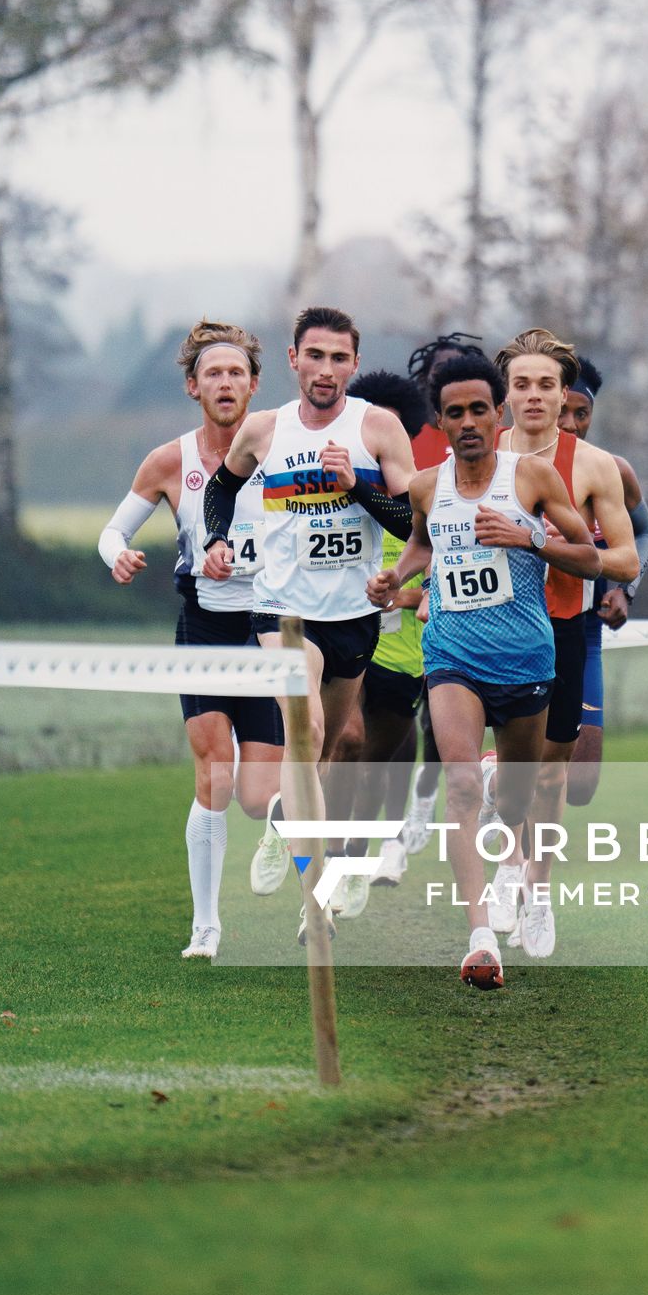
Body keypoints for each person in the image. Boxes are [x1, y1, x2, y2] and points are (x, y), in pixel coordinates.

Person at [366, 349, 600, 990]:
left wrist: (529, 538)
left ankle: (516, 842)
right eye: (454, 412)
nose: (467, 421)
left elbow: (589, 558)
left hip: (526, 659)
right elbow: (421, 540)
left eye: (478, 409)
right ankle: (479, 938)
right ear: (439, 422)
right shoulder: (425, 485)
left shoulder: (532, 478)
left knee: (516, 798)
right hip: (452, 656)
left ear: (497, 413)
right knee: (462, 786)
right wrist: (397, 577)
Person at [202, 305, 417, 930]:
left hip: (354, 614)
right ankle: (314, 900)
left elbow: (413, 523)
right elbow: (222, 488)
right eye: (314, 356)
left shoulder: (378, 429)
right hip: (281, 610)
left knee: (329, 753)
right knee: (308, 735)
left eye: (339, 358)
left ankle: (282, 823)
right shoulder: (264, 430)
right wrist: (218, 538)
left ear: (354, 363)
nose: (326, 370)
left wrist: (356, 487)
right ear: (294, 360)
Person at [97, 320, 283, 960]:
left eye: (237, 373)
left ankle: (294, 842)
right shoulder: (168, 460)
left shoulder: (285, 449)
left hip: (272, 634)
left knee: (259, 800)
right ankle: (206, 927)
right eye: (213, 373)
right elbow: (111, 533)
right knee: (215, 777)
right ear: (192, 386)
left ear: (255, 384)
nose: (226, 383)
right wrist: (118, 555)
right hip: (203, 630)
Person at [493, 328, 638, 957]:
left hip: (561, 629)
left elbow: (628, 560)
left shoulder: (595, 466)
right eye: (521, 384)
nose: (533, 396)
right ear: (505, 393)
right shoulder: (478, 453)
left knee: (550, 777)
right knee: (498, 769)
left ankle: (540, 890)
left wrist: (548, 547)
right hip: (490, 628)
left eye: (545, 385)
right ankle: (505, 862)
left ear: (563, 394)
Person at [336, 369, 431, 887]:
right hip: (348, 641)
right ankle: (331, 862)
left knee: (375, 764)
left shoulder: (426, 494)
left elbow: (451, 576)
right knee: (344, 745)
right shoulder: (336, 487)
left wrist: (410, 593)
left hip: (404, 651)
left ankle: (362, 848)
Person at [559, 356, 648, 805]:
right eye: (564, 411)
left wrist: (625, 590)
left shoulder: (613, 470)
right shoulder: (514, 468)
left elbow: (645, 530)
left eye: (582, 413)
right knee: (532, 764)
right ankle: (521, 867)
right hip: (527, 635)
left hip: (587, 635)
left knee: (580, 786)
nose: (573, 424)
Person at [398, 334, 482, 854]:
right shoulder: (410, 443)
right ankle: (413, 805)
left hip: (477, 603)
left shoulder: (489, 443)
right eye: (439, 375)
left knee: (447, 712)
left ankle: (432, 799)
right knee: (410, 711)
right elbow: (414, 527)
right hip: (413, 593)